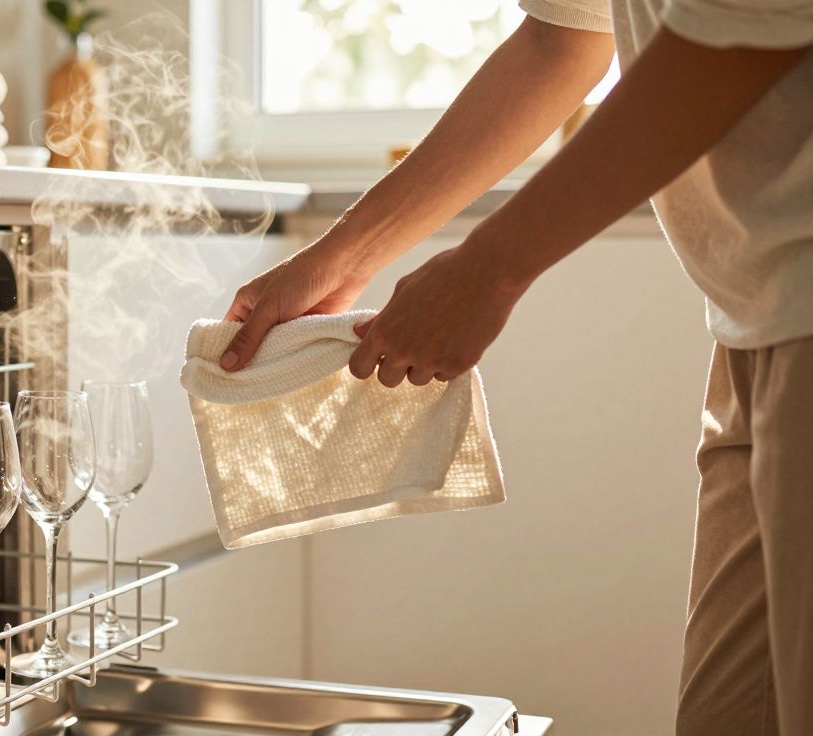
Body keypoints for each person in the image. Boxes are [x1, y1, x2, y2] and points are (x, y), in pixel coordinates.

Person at [218, 1, 812, 733]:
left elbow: (736, 34)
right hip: (758, 323)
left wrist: (489, 269)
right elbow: (560, 39)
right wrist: (342, 258)